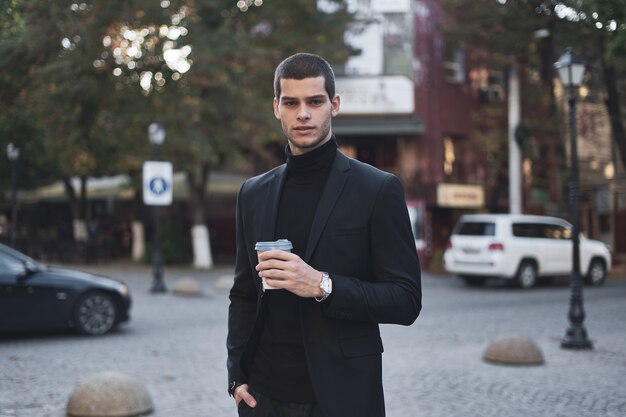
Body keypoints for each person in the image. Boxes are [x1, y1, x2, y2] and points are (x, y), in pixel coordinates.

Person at [227, 52, 422, 417]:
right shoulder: (252, 193)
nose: (303, 113)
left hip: (342, 396)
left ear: (334, 105)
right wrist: (236, 375)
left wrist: (322, 285)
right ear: (276, 108)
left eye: (314, 101)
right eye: (292, 102)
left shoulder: (377, 189)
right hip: (264, 398)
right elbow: (242, 294)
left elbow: (406, 300)